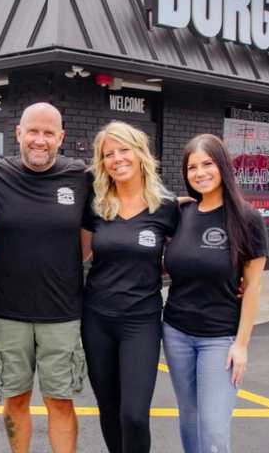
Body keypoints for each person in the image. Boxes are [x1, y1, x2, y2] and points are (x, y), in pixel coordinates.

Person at [0, 103, 90, 453]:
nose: (40, 140)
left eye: (48, 133)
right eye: (33, 131)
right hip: (9, 312)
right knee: (15, 400)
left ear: (61, 137)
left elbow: (87, 245)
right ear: (19, 133)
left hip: (63, 313)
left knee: (60, 402)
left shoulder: (81, 177)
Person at [162, 133, 268, 453]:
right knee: (189, 418)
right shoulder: (181, 214)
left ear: (223, 166)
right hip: (176, 331)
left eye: (207, 164)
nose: (200, 173)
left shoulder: (248, 219)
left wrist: (242, 345)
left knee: (212, 428)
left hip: (220, 339)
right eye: (192, 167)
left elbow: (252, 288)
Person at [80, 122, 179, 453]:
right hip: (96, 319)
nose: (117, 159)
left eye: (124, 150)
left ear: (140, 154)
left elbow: (188, 255)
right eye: (109, 154)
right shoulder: (95, 203)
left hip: (141, 321)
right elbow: (77, 251)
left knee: (134, 414)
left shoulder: (167, 207)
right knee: (109, 409)